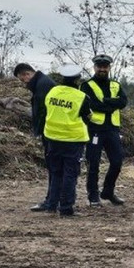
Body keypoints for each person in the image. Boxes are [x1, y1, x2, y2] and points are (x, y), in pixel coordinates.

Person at [44, 64, 93, 216]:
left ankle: (51, 205)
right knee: (70, 174)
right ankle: (66, 208)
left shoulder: (52, 92)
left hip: (52, 137)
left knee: (56, 172)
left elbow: (47, 109)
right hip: (72, 139)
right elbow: (88, 116)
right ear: (77, 79)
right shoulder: (81, 97)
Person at [81, 54, 127, 206]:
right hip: (95, 130)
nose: (102, 69)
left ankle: (108, 191)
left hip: (112, 129)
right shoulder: (87, 85)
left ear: (109, 67)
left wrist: (106, 102)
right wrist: (111, 105)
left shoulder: (116, 85)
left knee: (117, 161)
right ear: (94, 67)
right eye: (99, 66)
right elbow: (93, 105)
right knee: (93, 164)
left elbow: (123, 102)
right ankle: (93, 195)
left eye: (105, 66)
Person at [13, 63, 59, 212]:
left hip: (51, 132)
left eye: (22, 79)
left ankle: (52, 201)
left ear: (27, 74)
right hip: (52, 131)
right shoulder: (42, 82)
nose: (23, 83)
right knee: (55, 167)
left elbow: (43, 112)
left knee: (54, 167)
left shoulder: (42, 86)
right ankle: (53, 200)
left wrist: (40, 131)